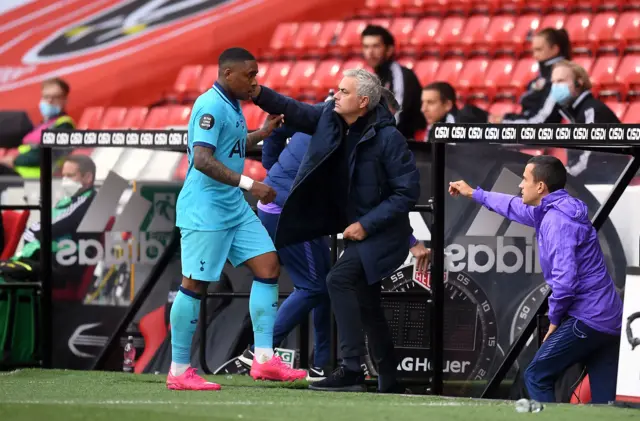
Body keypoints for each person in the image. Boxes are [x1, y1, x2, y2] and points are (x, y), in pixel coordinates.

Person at [252, 69, 426, 393]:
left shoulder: (388, 138)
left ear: (362, 102)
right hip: (361, 229)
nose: (335, 96)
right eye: (336, 90)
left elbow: (407, 193)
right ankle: (389, 380)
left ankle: (350, 369)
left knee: (337, 279)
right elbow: (291, 110)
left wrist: (367, 224)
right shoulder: (331, 120)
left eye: (343, 91)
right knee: (367, 301)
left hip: (384, 231)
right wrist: (257, 92)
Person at [169, 47, 307, 391]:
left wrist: (261, 134)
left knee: (268, 266)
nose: (254, 81)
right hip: (206, 210)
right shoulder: (210, 105)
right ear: (228, 74)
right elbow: (201, 159)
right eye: (249, 74)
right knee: (195, 285)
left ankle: (263, 360)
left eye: (256, 74)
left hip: (232, 207)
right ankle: (178, 370)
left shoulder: (230, 104)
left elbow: (229, 145)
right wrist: (251, 184)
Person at [448, 155, 622, 404]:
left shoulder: (556, 221)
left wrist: (554, 321)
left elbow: (564, 282)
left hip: (589, 318)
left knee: (536, 375)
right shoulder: (557, 208)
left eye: (525, 179)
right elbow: (512, 206)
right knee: (605, 400)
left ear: (540, 186)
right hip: (609, 318)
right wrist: (473, 193)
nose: (520, 185)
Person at [0, 155, 98, 297]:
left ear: (88, 177)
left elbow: (53, 227)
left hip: (61, 267)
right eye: (63, 176)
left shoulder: (87, 202)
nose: (65, 181)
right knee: (7, 271)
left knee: (10, 274)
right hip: (47, 260)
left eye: (70, 176)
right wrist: (34, 233)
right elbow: (44, 226)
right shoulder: (68, 201)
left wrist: (34, 234)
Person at [550, 60, 628, 184]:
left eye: (561, 81)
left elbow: (589, 158)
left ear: (579, 82)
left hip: (608, 185)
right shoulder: (574, 113)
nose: (555, 87)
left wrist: (564, 176)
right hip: (595, 182)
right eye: (553, 82)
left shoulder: (591, 110)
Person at [490, 28, 572, 125]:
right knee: (471, 114)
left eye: (539, 50)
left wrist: (504, 121)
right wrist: (505, 118)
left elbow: (542, 121)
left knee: (471, 117)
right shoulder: (545, 75)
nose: (535, 55)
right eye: (533, 51)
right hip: (524, 129)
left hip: (536, 135)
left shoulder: (560, 77)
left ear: (555, 49)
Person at [0, 78, 75, 179]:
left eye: (55, 97)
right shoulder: (43, 125)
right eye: (46, 97)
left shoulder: (65, 125)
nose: (49, 101)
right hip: (19, 174)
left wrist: (14, 160)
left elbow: (46, 154)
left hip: (37, 180)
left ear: (65, 100)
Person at [361, 25, 426, 140]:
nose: (370, 52)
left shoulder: (401, 75)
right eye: (366, 47)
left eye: (376, 46)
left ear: (389, 50)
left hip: (407, 145)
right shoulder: (371, 77)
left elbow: (398, 117)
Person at [421, 82, 488, 139]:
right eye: (422, 103)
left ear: (448, 105)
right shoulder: (432, 128)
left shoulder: (466, 125)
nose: (423, 109)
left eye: (430, 102)